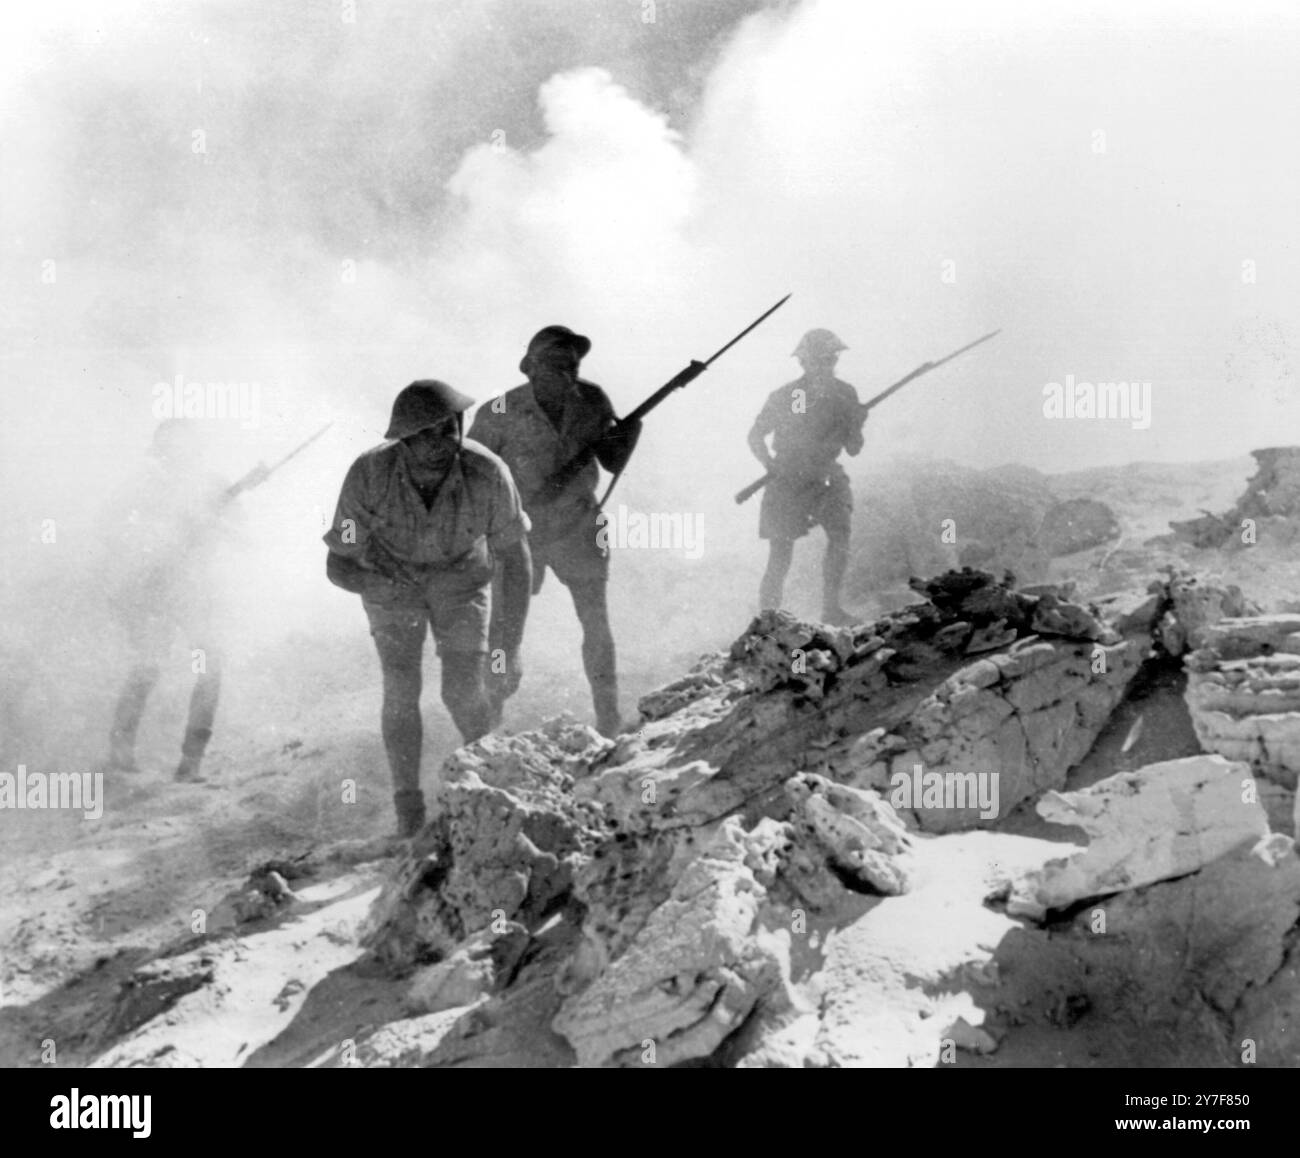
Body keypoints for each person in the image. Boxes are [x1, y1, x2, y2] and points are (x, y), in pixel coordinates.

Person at [324, 380, 532, 838]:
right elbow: (338, 564)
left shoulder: (487, 472)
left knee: (462, 689)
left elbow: (514, 560)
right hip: (392, 583)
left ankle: (487, 788)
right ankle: (407, 808)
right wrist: (371, 579)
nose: (441, 443)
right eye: (426, 434)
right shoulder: (370, 474)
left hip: (459, 580)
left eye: (449, 429)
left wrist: (508, 646)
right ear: (404, 437)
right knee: (401, 686)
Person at [468, 326, 640, 738]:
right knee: (504, 632)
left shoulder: (592, 400)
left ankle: (609, 716)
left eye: (573, 363)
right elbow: (471, 472)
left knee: (595, 620)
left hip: (580, 524)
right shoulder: (498, 412)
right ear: (532, 367)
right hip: (517, 533)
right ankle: (490, 719)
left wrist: (630, 431)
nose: (568, 371)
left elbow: (613, 460)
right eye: (557, 363)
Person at [102, 418, 232, 782]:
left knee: (208, 669)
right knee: (148, 664)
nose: (180, 453)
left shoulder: (213, 485)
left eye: (186, 445)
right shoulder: (143, 486)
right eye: (172, 447)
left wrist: (212, 523)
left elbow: (244, 535)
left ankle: (192, 761)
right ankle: (120, 749)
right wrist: (152, 538)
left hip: (196, 591)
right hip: (153, 586)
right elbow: (110, 526)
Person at [747, 328, 864, 625]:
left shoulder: (846, 394)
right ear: (804, 362)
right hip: (788, 480)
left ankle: (831, 609)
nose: (825, 364)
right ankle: (769, 622)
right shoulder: (786, 396)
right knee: (780, 553)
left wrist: (856, 423)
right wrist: (771, 465)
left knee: (840, 535)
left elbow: (853, 449)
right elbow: (756, 435)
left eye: (830, 358)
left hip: (826, 476)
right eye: (819, 359)